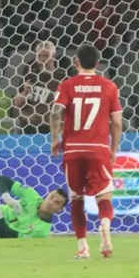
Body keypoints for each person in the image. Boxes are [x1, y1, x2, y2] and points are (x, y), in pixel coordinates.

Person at [50, 44, 123, 260]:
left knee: (76, 199)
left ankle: (83, 248)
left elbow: (55, 112)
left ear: (76, 63)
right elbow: (117, 123)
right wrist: (113, 149)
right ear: (98, 64)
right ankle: (105, 226)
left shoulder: (67, 85)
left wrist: (55, 139)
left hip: (73, 150)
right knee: (104, 196)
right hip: (98, 149)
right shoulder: (109, 86)